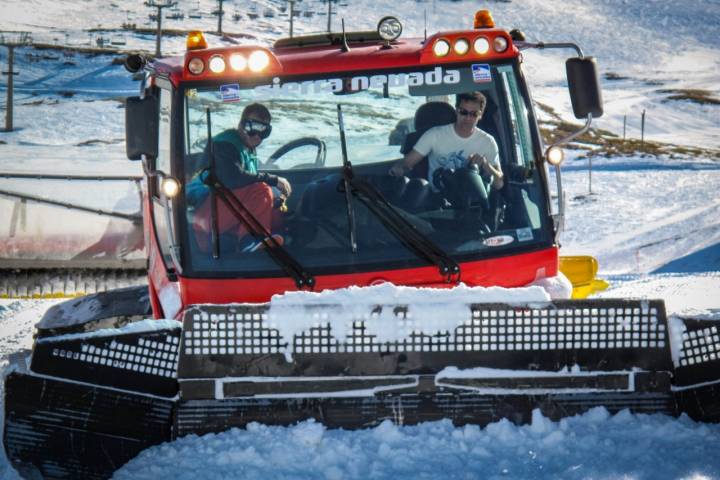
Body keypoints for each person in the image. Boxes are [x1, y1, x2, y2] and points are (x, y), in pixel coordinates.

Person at [187, 103, 291, 251]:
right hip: (204, 217)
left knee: (276, 209)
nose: (257, 136)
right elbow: (233, 178)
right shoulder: (224, 144)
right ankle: (250, 242)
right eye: (253, 128)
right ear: (241, 125)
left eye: (264, 131)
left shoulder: (248, 149)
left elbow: (246, 184)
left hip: (225, 210)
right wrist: (274, 180)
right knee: (261, 189)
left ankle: (278, 245)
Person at [389, 91, 503, 193]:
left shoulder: (488, 142)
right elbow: (407, 163)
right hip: (438, 200)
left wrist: (485, 165)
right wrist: (398, 169)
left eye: (474, 114)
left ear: (481, 115)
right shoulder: (434, 135)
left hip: (473, 202)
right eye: (463, 112)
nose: (467, 118)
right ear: (456, 111)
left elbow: (499, 184)